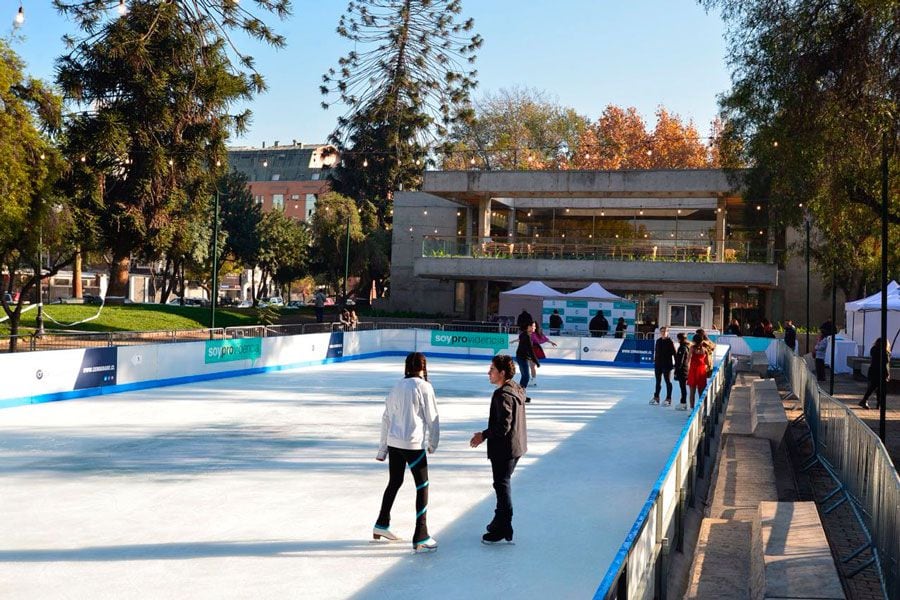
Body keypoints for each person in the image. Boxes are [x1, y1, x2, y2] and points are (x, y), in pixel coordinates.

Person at [374, 352, 440, 552]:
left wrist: (382, 448)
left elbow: (386, 418)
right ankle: (421, 534)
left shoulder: (396, 386)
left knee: (394, 482)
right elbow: (433, 419)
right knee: (423, 486)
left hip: (394, 444)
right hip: (412, 445)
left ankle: (381, 524)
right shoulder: (424, 387)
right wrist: (433, 443)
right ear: (423, 367)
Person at [469, 355, 528, 544]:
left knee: (502, 486)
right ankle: (499, 522)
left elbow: (503, 426)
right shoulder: (515, 388)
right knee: (501, 484)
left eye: (492, 369)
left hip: (505, 449)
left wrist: (483, 435)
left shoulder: (503, 394)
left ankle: (503, 526)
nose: (489, 372)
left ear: (502, 373)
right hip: (516, 446)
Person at [859, 338, 891, 410]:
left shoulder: (874, 350)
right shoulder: (884, 352)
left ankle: (869, 402)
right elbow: (885, 365)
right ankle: (877, 403)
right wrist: (887, 374)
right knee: (879, 389)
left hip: (873, 371)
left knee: (873, 387)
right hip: (881, 372)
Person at [651, 327, 677, 406]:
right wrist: (655, 360)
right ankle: (656, 397)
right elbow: (657, 352)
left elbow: (674, 354)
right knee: (658, 382)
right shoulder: (658, 341)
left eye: (665, 331)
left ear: (667, 332)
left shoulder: (670, 342)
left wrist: (676, 365)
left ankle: (668, 398)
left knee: (667, 381)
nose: (663, 333)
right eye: (662, 331)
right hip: (658, 365)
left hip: (667, 365)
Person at [686, 332, 711, 409]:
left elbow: (688, 360)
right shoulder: (704, 349)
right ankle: (703, 409)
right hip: (701, 371)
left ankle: (692, 409)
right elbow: (708, 362)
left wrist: (687, 370)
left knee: (692, 393)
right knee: (701, 392)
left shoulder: (692, 348)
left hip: (693, 371)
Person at [515, 322, 539, 402]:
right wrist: (536, 360)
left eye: (534, 327)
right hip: (522, 358)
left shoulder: (524, 335)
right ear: (528, 327)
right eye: (532, 326)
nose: (534, 328)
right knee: (526, 377)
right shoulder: (526, 336)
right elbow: (530, 350)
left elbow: (529, 349)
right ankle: (519, 395)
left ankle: (520, 394)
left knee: (524, 376)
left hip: (521, 357)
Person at [673, 332, 691, 410]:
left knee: (682, 387)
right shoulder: (686, 346)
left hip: (682, 370)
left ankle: (683, 403)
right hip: (685, 369)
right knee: (683, 387)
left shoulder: (682, 348)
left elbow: (680, 361)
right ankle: (683, 402)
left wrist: (676, 371)